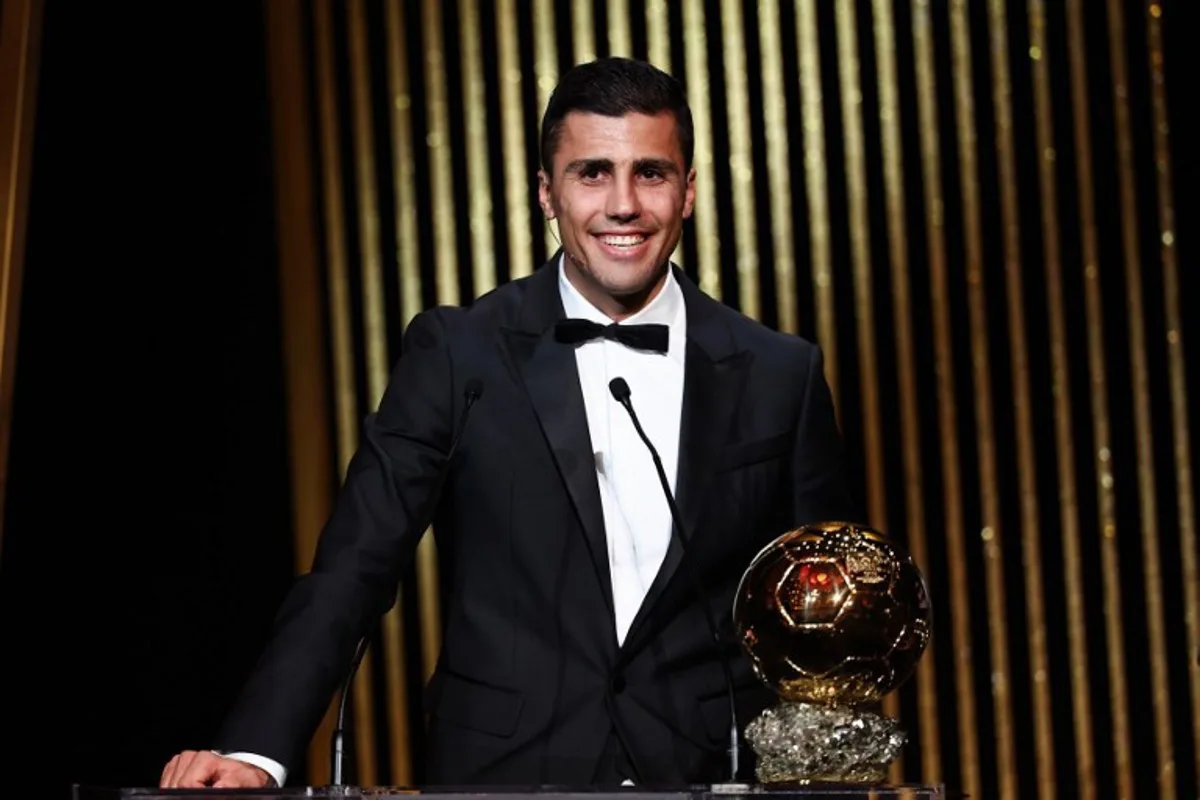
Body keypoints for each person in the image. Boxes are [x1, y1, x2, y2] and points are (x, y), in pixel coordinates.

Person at [159, 56, 854, 790]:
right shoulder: (459, 354)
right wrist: (256, 750)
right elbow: (356, 568)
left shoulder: (782, 374)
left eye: (650, 173)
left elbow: (827, 614)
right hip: (502, 774)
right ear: (547, 195)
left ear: (688, 193)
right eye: (591, 173)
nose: (623, 204)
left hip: (709, 774)